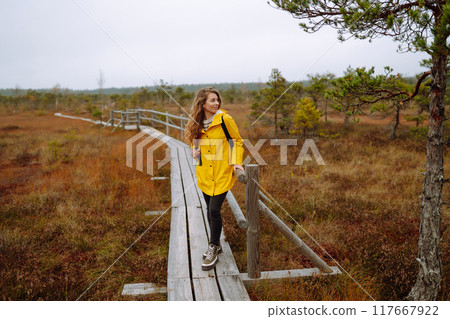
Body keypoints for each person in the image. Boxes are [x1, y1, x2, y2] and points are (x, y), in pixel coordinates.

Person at [184, 87, 244, 271]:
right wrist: (195, 152)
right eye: (212, 100)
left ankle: (212, 247)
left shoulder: (225, 119)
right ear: (202, 103)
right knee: (210, 211)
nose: (216, 103)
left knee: (214, 210)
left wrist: (236, 163)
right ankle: (216, 244)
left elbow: (237, 141)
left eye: (217, 100)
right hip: (204, 174)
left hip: (222, 173)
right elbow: (194, 142)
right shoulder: (198, 121)